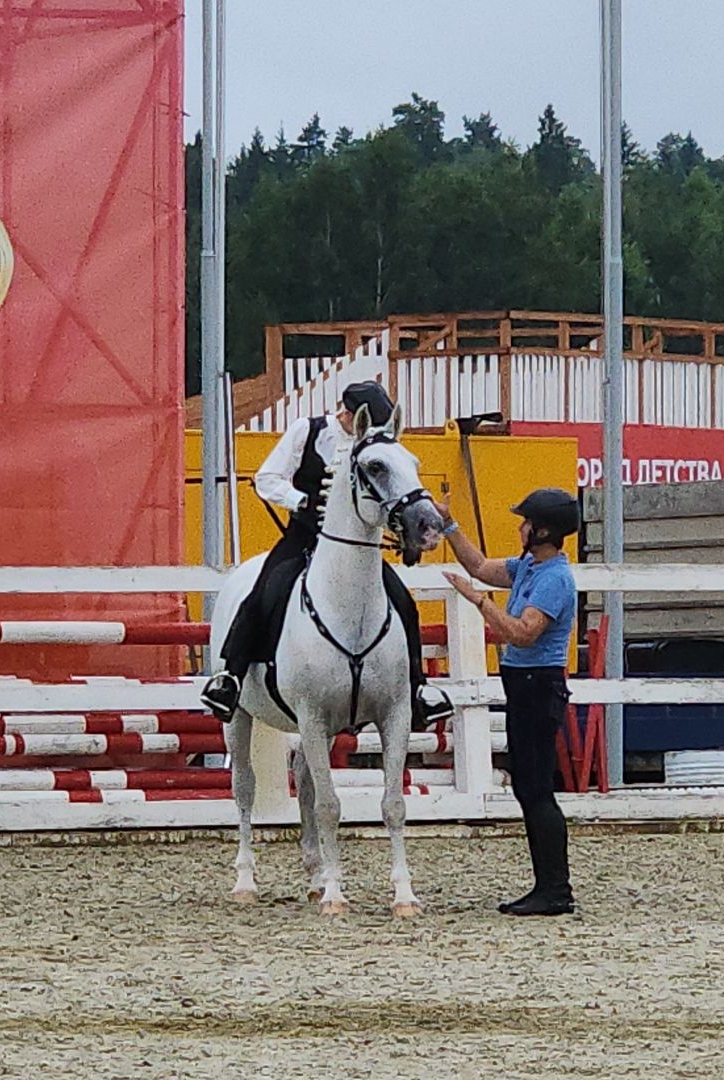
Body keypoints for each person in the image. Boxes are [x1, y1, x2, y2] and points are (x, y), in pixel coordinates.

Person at [201, 381, 452, 727]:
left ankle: (418, 688)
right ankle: (231, 677)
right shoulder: (307, 431)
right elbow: (267, 478)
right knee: (264, 593)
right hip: (304, 534)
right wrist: (300, 500)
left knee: (403, 602)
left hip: (354, 546)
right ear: (347, 413)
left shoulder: (376, 446)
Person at [441, 487, 580, 916]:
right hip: (524, 685)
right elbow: (480, 566)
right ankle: (547, 885)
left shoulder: (554, 579)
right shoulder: (528, 568)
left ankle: (555, 888)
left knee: (536, 788)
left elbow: (522, 633)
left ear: (543, 531)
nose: (520, 527)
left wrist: (480, 602)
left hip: (538, 685)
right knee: (527, 785)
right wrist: (449, 525)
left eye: (526, 522)